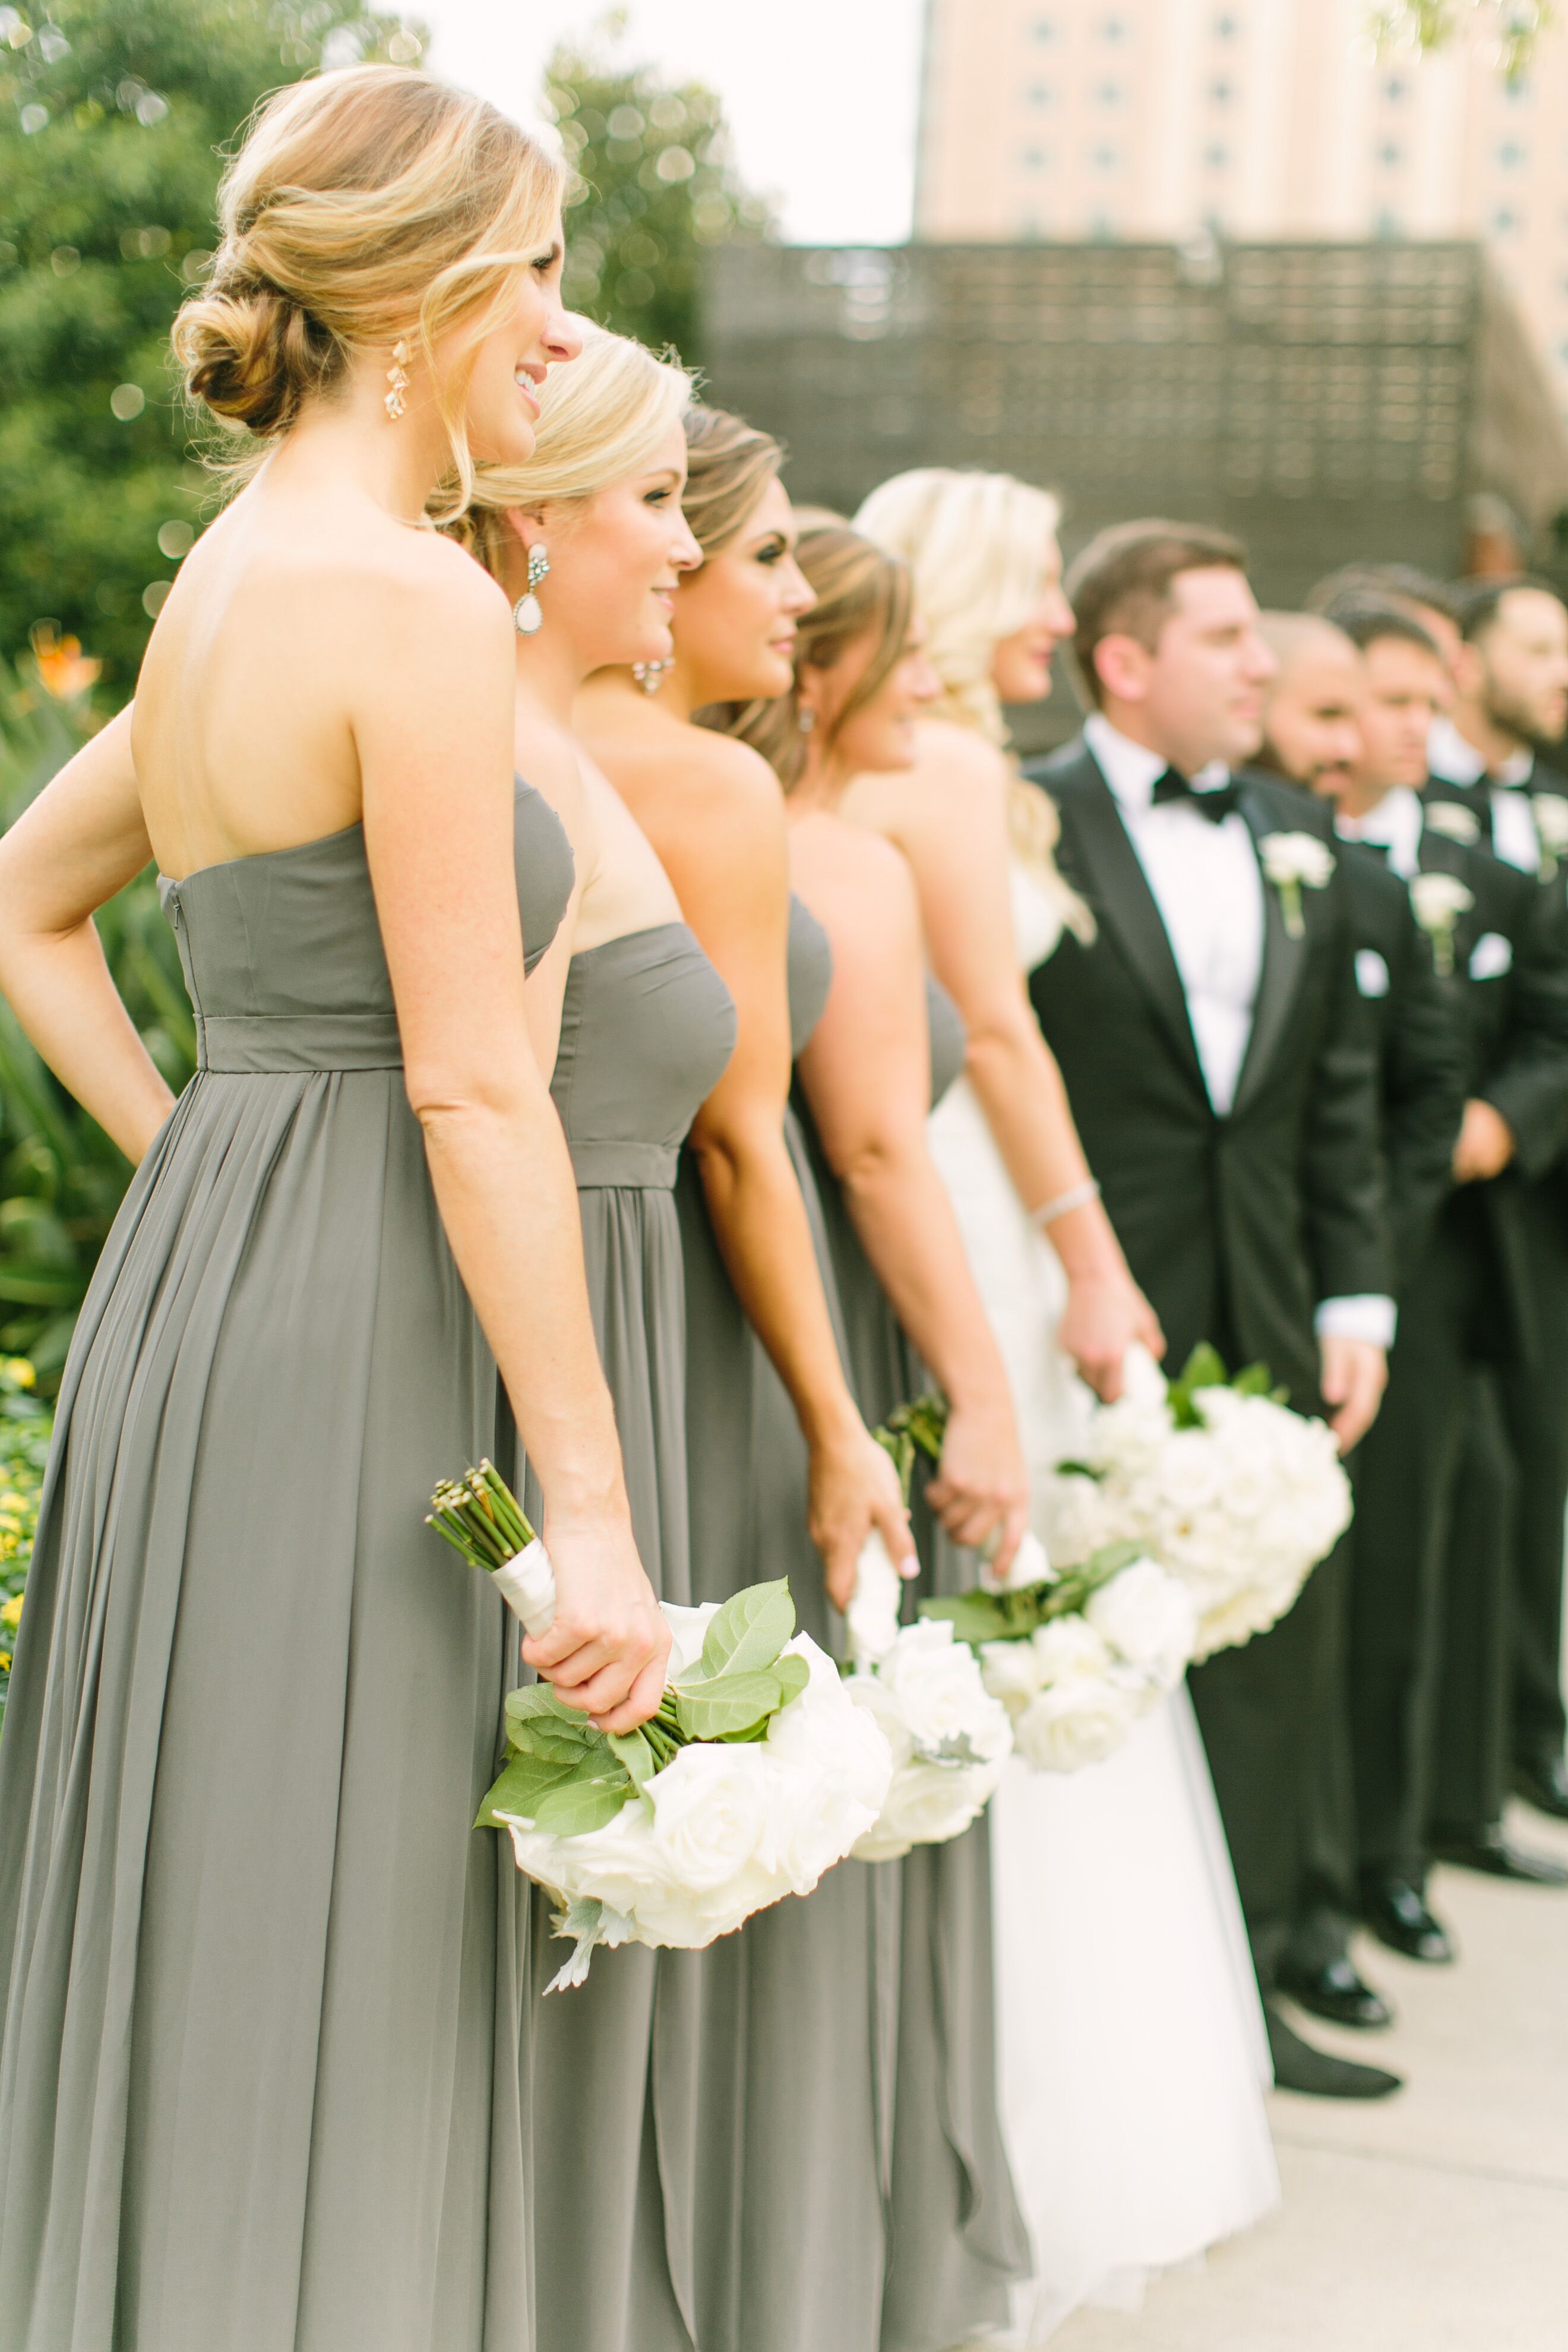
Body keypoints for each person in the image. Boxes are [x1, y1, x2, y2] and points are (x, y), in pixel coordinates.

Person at [0, 68, 672, 2352]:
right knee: (352, 1932)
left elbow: (25, 903)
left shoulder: (225, 582)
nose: (562, 337)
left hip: (219, 1295)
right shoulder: (401, 603)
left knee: (228, 1897)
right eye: (547, 276)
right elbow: (477, 1080)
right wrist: (592, 1503)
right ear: (435, 292)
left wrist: (202, 1155)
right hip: (371, 1298)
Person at [848, 467, 1280, 2345]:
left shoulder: (913, 759)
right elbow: (999, 1040)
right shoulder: (934, 766)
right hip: (972, 1231)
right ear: (959, 591)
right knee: (995, 1639)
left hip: (957, 1222)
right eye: (1032, 579)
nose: (1050, 613)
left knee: (978, 1637)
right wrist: (1093, 1267)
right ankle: (996, 2120)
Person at [581, 421, 987, 2352]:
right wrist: (862, 1423)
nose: (798, 595)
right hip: (721, 1325)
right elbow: (781, 1144)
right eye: (743, 551)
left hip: (703, 1314)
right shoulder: (704, 806)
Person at [1023, 521, 1397, 2102]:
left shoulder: (1295, 832)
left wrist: (1354, 1291)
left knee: (1257, 1641)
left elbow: (1335, 1096)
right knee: (1076, 1649)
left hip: (1262, 1294)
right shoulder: (1024, 821)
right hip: (1071, 1304)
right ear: (1126, 661)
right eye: (1231, 638)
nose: (1268, 667)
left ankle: (1244, 1989)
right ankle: (1077, 2013)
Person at [451, 325, 735, 2352]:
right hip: (548, 1358)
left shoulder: (562, 748)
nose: (693, 542)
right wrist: (591, 1498)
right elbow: (490, 1104)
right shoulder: (511, 750)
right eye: (657, 497)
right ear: (540, 525)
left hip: (612, 1338)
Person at [725, 516, 1032, 2350]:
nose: (934, 683)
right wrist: (979, 1396)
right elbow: (873, 1146)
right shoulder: (826, 853)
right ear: (827, 670)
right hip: (834, 1333)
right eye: (905, 653)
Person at [1316, 596, 1568, 1971]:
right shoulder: (1297, 853)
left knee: (1420, 1564)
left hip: (1447, 1261)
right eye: (1379, 701)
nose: (1405, 728)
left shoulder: (1490, 869)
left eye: (1423, 701)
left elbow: (1553, 1021)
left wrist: (1504, 1123)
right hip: (1308, 1255)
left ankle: (1389, 1852)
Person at [1251, 610, 1466, 2038]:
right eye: (1325, 714)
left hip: (1330, 1290)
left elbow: (1401, 1093)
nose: (1350, 748)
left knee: (1323, 1626)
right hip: (1173, 1281)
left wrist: (1360, 1273)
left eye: (1367, 717)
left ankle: (1319, 1901)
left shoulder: (1366, 889)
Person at [1423, 578, 1568, 1829]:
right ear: (1467, 663)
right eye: (1538, 645)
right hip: (1452, 1208)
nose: (1562, 668)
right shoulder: (1413, 813)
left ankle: (1534, 1727)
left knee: (1537, 1483)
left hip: (1537, 1186)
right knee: (1487, 1483)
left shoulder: (1557, 809)